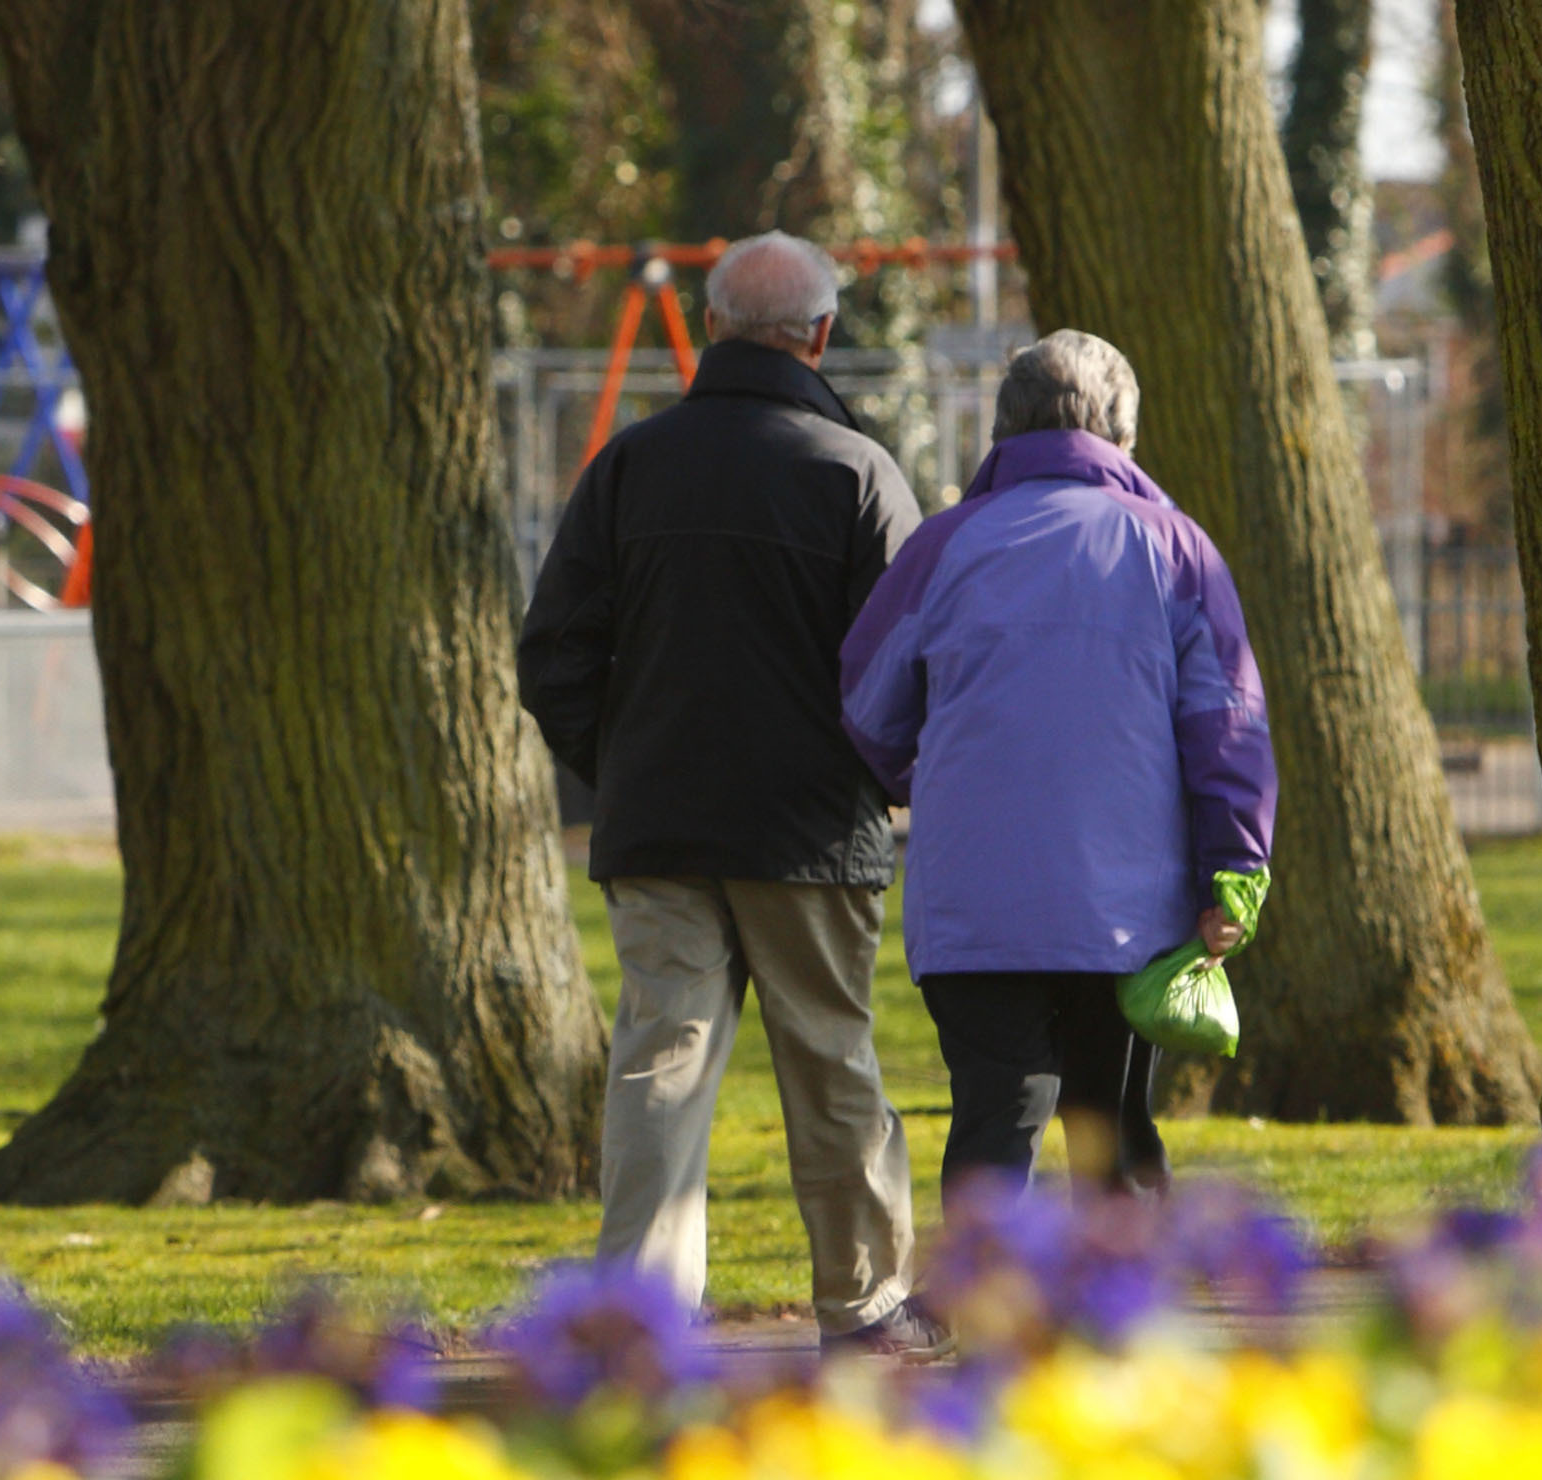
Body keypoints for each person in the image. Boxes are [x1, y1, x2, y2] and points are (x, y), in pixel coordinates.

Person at [517, 231, 946, 1358]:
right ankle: (862, 1306)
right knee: (833, 1064)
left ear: (709, 327)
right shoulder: (856, 473)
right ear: (820, 333)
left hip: (660, 821)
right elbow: (912, 661)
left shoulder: (627, 466)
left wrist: (619, 764)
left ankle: (640, 1324)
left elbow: (554, 648)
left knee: (661, 1067)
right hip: (811, 829)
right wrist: (875, 778)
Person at [839, 329, 1276, 1204]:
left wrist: (927, 782)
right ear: (1123, 436)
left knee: (994, 1112)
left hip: (973, 897)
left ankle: (980, 1311)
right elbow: (1226, 720)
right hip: (1123, 899)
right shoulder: (1176, 548)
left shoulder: (944, 543)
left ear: (1005, 430)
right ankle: (1123, 1313)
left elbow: (868, 706)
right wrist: (1233, 868)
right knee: (1106, 1118)